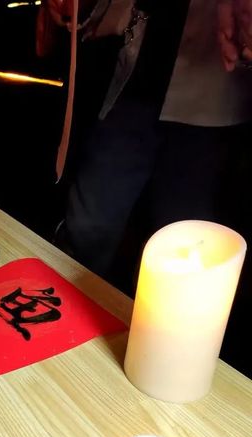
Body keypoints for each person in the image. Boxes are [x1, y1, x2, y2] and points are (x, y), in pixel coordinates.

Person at [49, 0, 252, 290]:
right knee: (89, 227)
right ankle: (61, 303)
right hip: (137, 74)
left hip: (212, 91)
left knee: (183, 242)